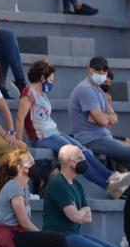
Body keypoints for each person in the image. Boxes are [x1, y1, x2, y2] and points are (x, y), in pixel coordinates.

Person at [18, 61, 109, 194]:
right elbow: (20, 118)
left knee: (85, 151)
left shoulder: (42, 94)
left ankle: (110, 177)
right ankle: (107, 186)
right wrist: (19, 141)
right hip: (42, 137)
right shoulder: (29, 93)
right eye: (51, 79)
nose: (52, 82)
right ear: (43, 77)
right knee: (76, 156)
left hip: (54, 133)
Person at [63, 56, 130, 178]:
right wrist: (103, 118)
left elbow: (114, 118)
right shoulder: (86, 89)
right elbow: (104, 121)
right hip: (90, 139)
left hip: (103, 136)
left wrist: (102, 117)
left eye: (104, 70)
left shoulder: (98, 90)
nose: (101, 73)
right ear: (89, 70)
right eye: (97, 70)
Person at [0, 149, 68, 247]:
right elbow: (24, 223)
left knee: (54, 241)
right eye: (31, 163)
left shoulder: (24, 187)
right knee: (58, 240)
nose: (34, 166)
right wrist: (41, 235)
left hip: (18, 235)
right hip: (9, 238)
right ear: (19, 167)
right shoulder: (14, 187)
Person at [38, 143, 118, 247]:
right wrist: (80, 214)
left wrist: (79, 214)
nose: (84, 162)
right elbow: (74, 217)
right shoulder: (58, 183)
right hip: (60, 237)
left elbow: (88, 217)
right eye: (80, 158)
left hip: (74, 235)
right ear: (70, 162)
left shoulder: (77, 185)